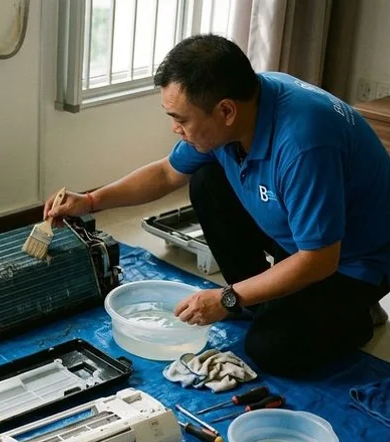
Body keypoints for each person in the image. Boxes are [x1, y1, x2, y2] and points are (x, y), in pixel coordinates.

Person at [45, 34, 390, 377]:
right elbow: (166, 174)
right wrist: (90, 201)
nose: (174, 128)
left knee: (269, 349)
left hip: (353, 261)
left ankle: (357, 317)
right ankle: (258, 300)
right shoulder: (243, 108)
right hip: (301, 236)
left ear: (225, 110)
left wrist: (227, 297)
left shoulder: (303, 144)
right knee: (208, 181)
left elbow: (319, 260)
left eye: (181, 119)